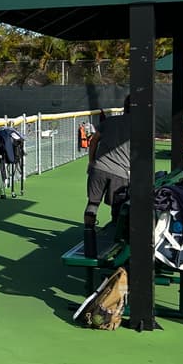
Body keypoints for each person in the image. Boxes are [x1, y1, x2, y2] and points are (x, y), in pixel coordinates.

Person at [83, 96, 131, 259]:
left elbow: (94, 141)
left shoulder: (110, 122)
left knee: (92, 204)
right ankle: (116, 244)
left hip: (98, 168)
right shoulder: (141, 126)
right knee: (118, 210)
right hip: (121, 174)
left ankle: (88, 237)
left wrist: (91, 161)